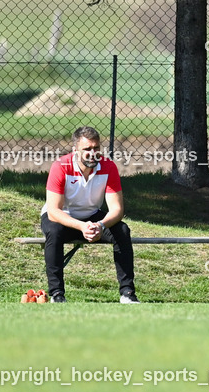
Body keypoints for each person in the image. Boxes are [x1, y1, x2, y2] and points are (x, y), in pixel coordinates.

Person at [41, 126, 139, 303]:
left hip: (93, 217)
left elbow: (117, 210)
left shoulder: (108, 167)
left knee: (122, 230)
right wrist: (82, 226)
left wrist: (100, 225)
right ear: (75, 151)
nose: (92, 153)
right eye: (87, 149)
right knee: (54, 232)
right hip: (62, 217)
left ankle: (128, 294)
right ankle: (57, 294)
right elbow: (53, 211)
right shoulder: (60, 166)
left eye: (96, 148)